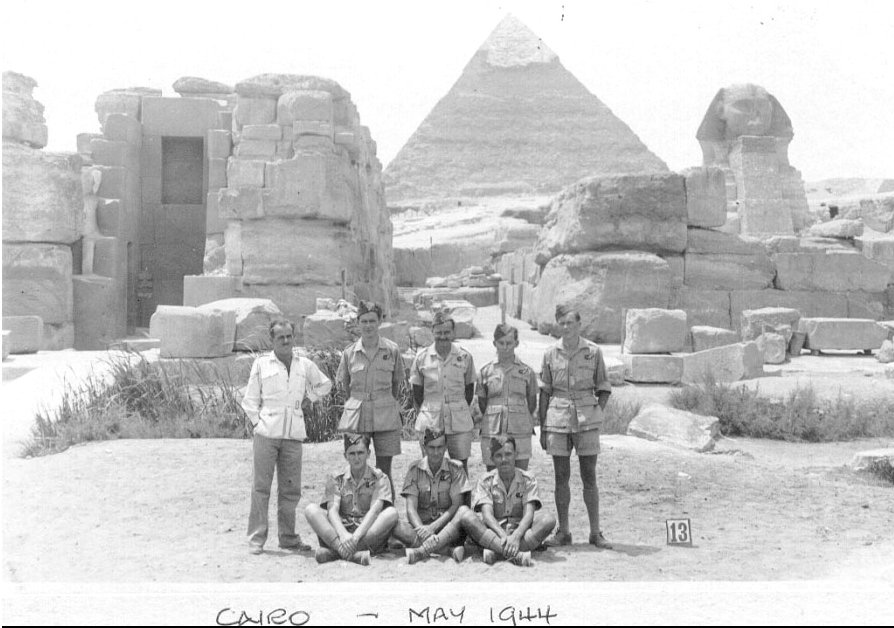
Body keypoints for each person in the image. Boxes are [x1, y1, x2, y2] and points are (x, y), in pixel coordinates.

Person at [241, 319, 333, 555]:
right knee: (261, 488)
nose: (285, 341)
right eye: (280, 337)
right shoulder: (262, 364)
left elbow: (325, 385)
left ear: (294, 338)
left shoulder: (304, 365)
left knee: (290, 490)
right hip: (266, 433)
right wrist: (257, 424)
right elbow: (249, 401)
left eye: (289, 336)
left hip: (293, 434)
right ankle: (256, 539)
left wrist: (308, 398)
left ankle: (288, 538)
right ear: (272, 340)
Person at [538, 305, 613, 549]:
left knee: (589, 476)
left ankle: (595, 532)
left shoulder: (593, 351)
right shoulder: (550, 353)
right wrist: (543, 426)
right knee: (561, 477)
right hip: (558, 418)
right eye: (562, 323)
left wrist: (597, 410)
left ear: (579, 324)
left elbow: (603, 386)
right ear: (558, 325)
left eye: (571, 323)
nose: (566, 327)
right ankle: (564, 532)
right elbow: (545, 391)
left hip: (586, 417)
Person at [335, 300, 405, 486]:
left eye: (372, 321)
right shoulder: (349, 353)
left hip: (385, 413)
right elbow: (344, 385)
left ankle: (387, 510)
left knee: (384, 468)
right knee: (357, 465)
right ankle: (359, 509)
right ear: (358, 322)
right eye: (364, 321)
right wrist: (353, 404)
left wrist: (388, 401)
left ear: (380, 321)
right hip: (357, 414)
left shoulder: (392, 350)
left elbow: (397, 382)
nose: (368, 326)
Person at [460, 436, 556, 566]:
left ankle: (496, 550)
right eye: (498, 455)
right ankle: (517, 555)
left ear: (516, 455)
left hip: (521, 533)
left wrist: (516, 536)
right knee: (467, 517)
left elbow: (529, 514)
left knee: (548, 520)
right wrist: (503, 536)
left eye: (508, 454)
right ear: (492, 458)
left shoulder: (528, 479)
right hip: (494, 532)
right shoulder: (485, 480)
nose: (504, 460)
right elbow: (487, 516)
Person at [304, 434, 398, 565]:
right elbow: (332, 510)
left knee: (391, 513)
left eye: (361, 453)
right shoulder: (336, 478)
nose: (357, 458)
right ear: (345, 456)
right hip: (341, 532)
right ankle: (351, 554)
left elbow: (374, 512)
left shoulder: (379, 478)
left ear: (368, 453)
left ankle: (336, 553)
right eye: (352, 454)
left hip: (366, 533)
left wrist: (355, 537)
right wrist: (343, 535)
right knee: (311, 510)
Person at [391, 427, 471, 564]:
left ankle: (421, 551)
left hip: (448, 527)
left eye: (440, 447)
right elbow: (410, 508)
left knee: (462, 515)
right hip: (421, 528)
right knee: (395, 525)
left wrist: (433, 528)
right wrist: (422, 529)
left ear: (446, 447)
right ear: (424, 448)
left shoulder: (455, 469)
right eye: (432, 447)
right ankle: (446, 551)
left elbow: (456, 506)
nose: (436, 452)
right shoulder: (414, 470)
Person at [409, 312, 476, 471]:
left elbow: (469, 390)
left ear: (453, 332)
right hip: (430, 417)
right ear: (432, 332)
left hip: (458, 419)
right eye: (439, 332)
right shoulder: (422, 357)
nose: (443, 336)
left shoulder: (464, 356)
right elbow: (417, 393)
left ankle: (462, 496)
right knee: (430, 467)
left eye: (447, 332)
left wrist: (456, 407)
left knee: (460, 466)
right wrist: (427, 410)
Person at [477, 323, 538, 471]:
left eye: (509, 343)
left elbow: (531, 402)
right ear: (494, 344)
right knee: (493, 476)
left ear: (516, 344)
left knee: (521, 474)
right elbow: (482, 402)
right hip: (493, 429)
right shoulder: (486, 371)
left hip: (520, 429)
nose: (505, 347)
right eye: (501, 343)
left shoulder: (526, 371)